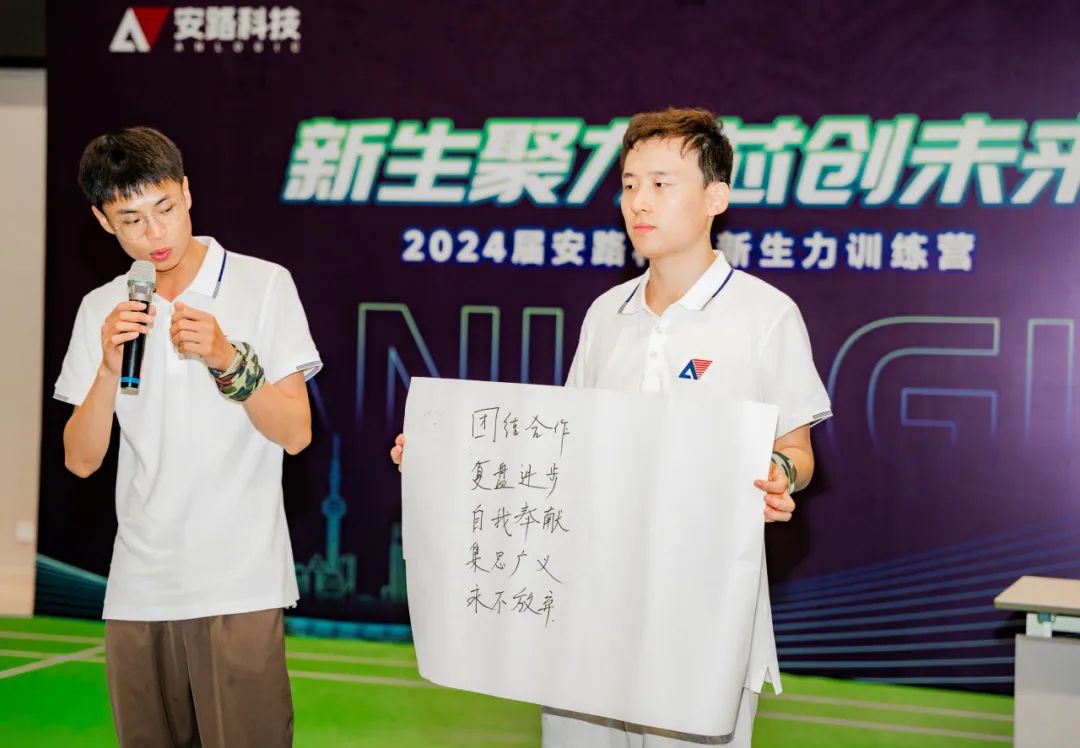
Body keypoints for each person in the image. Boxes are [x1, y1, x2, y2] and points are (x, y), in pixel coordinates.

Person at [390, 107, 832, 747]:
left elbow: (797, 450)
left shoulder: (765, 314)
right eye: (629, 184)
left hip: (700, 610)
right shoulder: (606, 314)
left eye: (661, 184)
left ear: (716, 198)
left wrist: (778, 474)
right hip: (585, 603)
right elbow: (565, 450)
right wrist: (446, 454)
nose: (638, 202)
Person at [56, 126, 321, 748]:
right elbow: (80, 460)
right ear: (103, 221)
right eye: (131, 220)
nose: (155, 234)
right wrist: (106, 367)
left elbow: (296, 433)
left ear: (187, 192)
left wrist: (228, 359)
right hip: (138, 587)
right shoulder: (101, 308)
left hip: (238, 581)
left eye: (165, 209)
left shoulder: (263, 284)